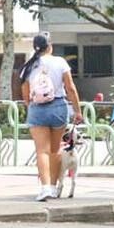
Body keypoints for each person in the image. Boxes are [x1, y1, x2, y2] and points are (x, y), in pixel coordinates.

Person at [19, 34, 81, 202]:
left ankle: (45, 187)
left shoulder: (28, 66)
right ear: (50, 46)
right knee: (55, 149)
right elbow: (70, 88)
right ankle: (53, 187)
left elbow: (25, 94)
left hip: (37, 109)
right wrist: (77, 110)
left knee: (42, 151)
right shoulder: (60, 62)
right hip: (59, 107)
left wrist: (31, 106)